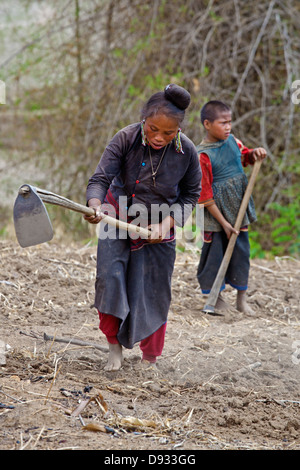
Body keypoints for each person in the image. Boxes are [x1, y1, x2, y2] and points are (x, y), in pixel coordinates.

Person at [85, 84, 201, 371]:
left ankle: (150, 359)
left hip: (159, 229)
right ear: (143, 120)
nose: (159, 137)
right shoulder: (125, 138)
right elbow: (100, 179)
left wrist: (168, 222)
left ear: (178, 130)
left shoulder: (187, 151)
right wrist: (95, 204)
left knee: (153, 291)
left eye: (168, 133)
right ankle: (114, 349)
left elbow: (190, 195)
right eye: (153, 129)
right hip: (118, 220)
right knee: (109, 280)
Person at [196, 100, 267, 314]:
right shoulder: (203, 156)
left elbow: (244, 157)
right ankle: (214, 297)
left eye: (230, 122)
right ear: (207, 124)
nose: (228, 127)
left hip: (237, 209)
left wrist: (255, 154)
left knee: (241, 252)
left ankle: (241, 299)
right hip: (215, 216)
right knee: (214, 254)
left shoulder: (234, 142)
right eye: (222, 123)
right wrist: (224, 223)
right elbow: (205, 197)